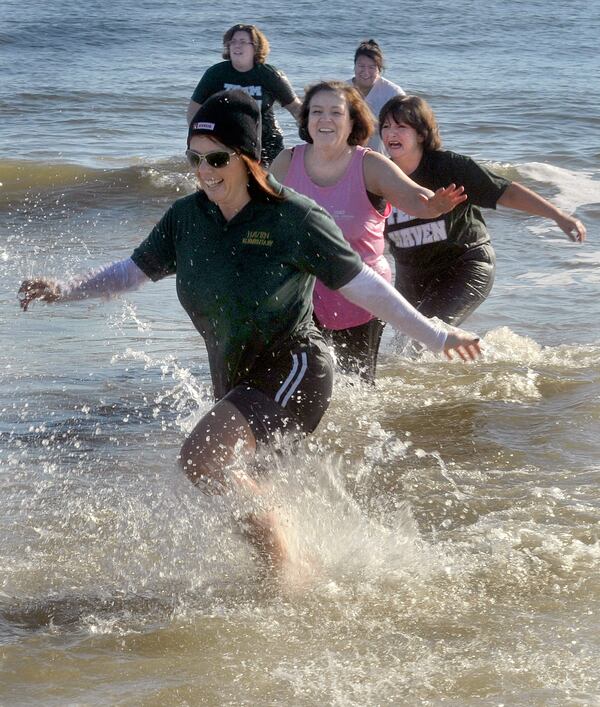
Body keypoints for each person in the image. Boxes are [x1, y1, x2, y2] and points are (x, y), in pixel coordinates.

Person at [19, 90, 481, 572]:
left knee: (201, 458)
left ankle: (286, 578)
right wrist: (65, 290)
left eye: (217, 158)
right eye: (194, 159)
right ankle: (297, 569)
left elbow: (361, 283)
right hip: (238, 376)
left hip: (297, 367)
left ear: (246, 157)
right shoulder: (187, 218)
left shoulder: (291, 215)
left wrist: (436, 335)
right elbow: (131, 272)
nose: (204, 171)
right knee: (236, 481)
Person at [270, 80, 469, 383]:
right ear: (306, 119)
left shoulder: (369, 165)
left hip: (362, 295)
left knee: (357, 385)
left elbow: (416, 197)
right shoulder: (286, 162)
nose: (325, 119)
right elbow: (257, 215)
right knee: (304, 381)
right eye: (317, 112)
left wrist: (436, 205)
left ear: (352, 121)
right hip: (303, 295)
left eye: (336, 113)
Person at [378, 95, 586, 326]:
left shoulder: (449, 167)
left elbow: (507, 193)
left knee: (426, 335)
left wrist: (558, 216)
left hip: (464, 264)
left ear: (421, 133)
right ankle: (475, 359)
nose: (391, 133)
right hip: (411, 272)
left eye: (401, 126)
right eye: (386, 126)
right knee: (405, 344)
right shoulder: (380, 175)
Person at [187, 23, 301, 165]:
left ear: (256, 47)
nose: (237, 46)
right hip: (227, 140)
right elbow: (193, 110)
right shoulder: (215, 74)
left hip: (267, 142)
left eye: (243, 42)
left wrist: (312, 133)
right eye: (233, 42)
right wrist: (200, 138)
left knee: (265, 184)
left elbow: (296, 108)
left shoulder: (270, 75)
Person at [349, 39, 405, 153]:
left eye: (372, 67)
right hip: (346, 156)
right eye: (361, 66)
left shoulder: (393, 93)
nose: (366, 72)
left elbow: (405, 128)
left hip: (381, 157)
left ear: (379, 70)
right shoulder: (341, 90)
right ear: (354, 66)